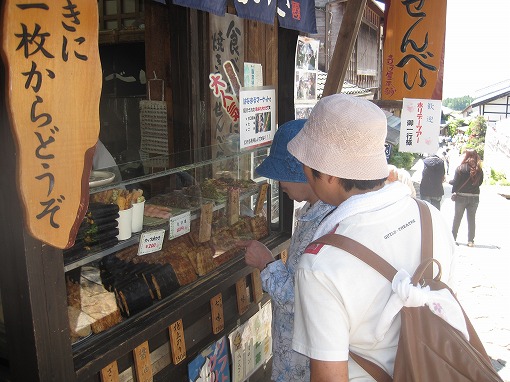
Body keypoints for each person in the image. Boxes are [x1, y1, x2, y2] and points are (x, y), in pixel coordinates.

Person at [287, 94, 456, 381]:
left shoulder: (321, 264)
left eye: (306, 161)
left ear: (327, 172)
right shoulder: (430, 217)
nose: (303, 170)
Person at [237, 119, 334, 382]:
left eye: (283, 174)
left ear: (304, 170)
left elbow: (304, 301)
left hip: (305, 366)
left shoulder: (328, 225)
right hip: (295, 356)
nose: (279, 183)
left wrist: (267, 264)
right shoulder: (313, 213)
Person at [450, 148, 484, 247]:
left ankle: (453, 239)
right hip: (474, 197)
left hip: (461, 197)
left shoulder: (460, 168)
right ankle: (470, 241)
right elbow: (480, 183)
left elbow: (455, 182)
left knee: (457, 218)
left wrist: (450, 183)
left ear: (466, 156)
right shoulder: (479, 170)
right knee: (471, 219)